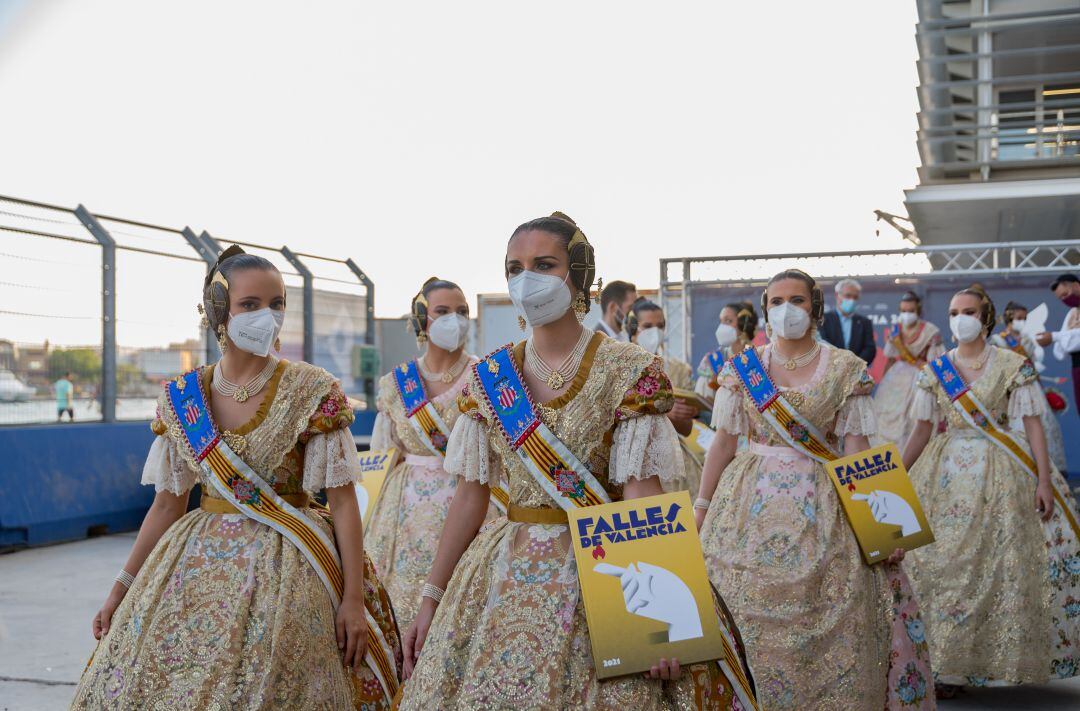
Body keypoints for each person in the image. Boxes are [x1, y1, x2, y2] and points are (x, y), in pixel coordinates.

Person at [398, 213, 758, 710]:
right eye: (515, 267)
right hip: (502, 572)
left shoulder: (628, 370)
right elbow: (470, 497)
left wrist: (657, 624)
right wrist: (432, 596)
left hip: (607, 573)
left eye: (544, 264)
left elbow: (640, 495)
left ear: (579, 274)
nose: (527, 279)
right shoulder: (489, 377)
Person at [71, 246, 401, 710]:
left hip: (293, 566)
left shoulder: (312, 388)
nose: (267, 316)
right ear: (219, 311)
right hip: (193, 564)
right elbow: (167, 504)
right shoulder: (183, 397)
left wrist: (351, 600)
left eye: (277, 304)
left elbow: (343, 502)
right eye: (251, 305)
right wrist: (120, 589)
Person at [696, 268, 933, 710]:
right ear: (765, 311)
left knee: (830, 611)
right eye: (777, 302)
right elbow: (724, 443)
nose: (787, 310)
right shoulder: (743, 369)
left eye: (797, 301)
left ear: (815, 307)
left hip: (825, 502)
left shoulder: (846, 368)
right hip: (746, 504)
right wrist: (702, 506)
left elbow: (858, 449)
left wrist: (884, 530)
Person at [903, 285, 1080, 695]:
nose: (959, 318)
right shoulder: (936, 371)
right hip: (944, 476)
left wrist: (1042, 480)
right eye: (953, 311)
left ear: (985, 319)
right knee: (941, 566)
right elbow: (921, 432)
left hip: (1003, 472)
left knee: (999, 564)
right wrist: (893, 475)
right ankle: (945, 667)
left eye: (968, 311)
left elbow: (1033, 424)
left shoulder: (1011, 364)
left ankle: (992, 661)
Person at [364, 277, 504, 633]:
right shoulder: (396, 384)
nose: (453, 320)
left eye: (462, 311)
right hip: (403, 513)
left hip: (471, 498)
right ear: (422, 319)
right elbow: (384, 455)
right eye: (442, 311)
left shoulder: (485, 376)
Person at [625, 298, 705, 494]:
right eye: (648, 326)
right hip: (631, 461)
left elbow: (686, 430)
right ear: (633, 330)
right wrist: (665, 412)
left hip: (673, 463)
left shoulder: (677, 370)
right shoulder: (619, 368)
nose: (656, 331)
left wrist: (681, 415)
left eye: (660, 326)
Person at [991, 301, 1067, 472]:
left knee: (1043, 424)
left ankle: (1048, 469)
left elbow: (1031, 365)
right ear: (1009, 317)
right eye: (1019, 318)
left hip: (1031, 387)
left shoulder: (1027, 340)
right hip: (1009, 389)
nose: (1022, 321)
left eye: (1025, 318)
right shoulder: (998, 340)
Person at [871, 292, 944, 450]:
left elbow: (936, 363)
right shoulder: (896, 329)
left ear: (918, 310)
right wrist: (884, 381)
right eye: (903, 311)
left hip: (922, 376)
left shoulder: (931, 331)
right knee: (888, 415)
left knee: (915, 417)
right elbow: (890, 358)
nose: (906, 315)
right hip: (897, 377)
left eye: (910, 311)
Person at [1036, 273, 1080, 419]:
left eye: (1065, 294)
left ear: (1076, 285)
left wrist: (1054, 337)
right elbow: (1060, 351)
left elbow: (1066, 339)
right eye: (1061, 298)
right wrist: (1059, 338)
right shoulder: (1072, 313)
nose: (1064, 299)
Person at [695, 302, 757, 398]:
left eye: (728, 321)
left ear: (743, 325)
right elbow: (702, 399)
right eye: (721, 321)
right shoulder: (713, 360)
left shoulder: (759, 357)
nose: (722, 326)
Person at [820, 278, 877, 364]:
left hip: (856, 372)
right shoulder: (823, 320)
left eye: (855, 297)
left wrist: (854, 365)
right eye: (848, 296)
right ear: (837, 295)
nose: (852, 300)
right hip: (829, 370)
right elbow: (823, 344)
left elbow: (870, 348)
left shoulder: (865, 322)